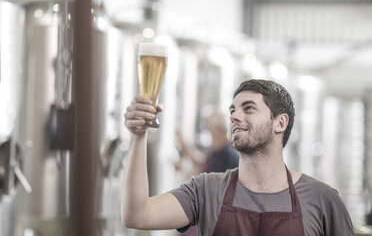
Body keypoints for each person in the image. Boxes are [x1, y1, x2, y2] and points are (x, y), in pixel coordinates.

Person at [122, 79, 355, 235]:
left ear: (280, 122)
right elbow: (138, 216)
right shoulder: (206, 190)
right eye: (232, 110)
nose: (234, 116)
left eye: (248, 108)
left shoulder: (322, 200)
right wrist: (138, 136)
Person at [175, 110, 239, 175]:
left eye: (210, 129)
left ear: (219, 129)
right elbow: (202, 165)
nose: (210, 134)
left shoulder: (229, 155)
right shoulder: (217, 152)